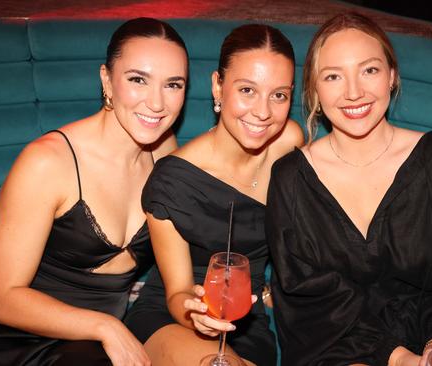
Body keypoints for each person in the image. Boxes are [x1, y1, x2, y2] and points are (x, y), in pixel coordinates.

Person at [266, 12, 432, 366]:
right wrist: (396, 358)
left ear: (392, 77)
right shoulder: (291, 180)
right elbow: (307, 301)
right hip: (337, 346)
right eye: (333, 76)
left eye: (369, 70)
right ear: (315, 90)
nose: (353, 92)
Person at [0, 17, 188, 366]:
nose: (157, 103)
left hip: (91, 342)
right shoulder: (48, 162)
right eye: (138, 80)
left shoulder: (166, 152)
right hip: (2, 336)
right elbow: (2, 299)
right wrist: (106, 326)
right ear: (106, 80)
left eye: (173, 85)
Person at [124, 24, 304, 366]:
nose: (263, 112)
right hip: (174, 319)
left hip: (248, 325)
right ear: (217, 87)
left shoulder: (289, 143)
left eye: (278, 95)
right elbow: (176, 293)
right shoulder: (172, 181)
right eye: (247, 90)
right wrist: (194, 313)